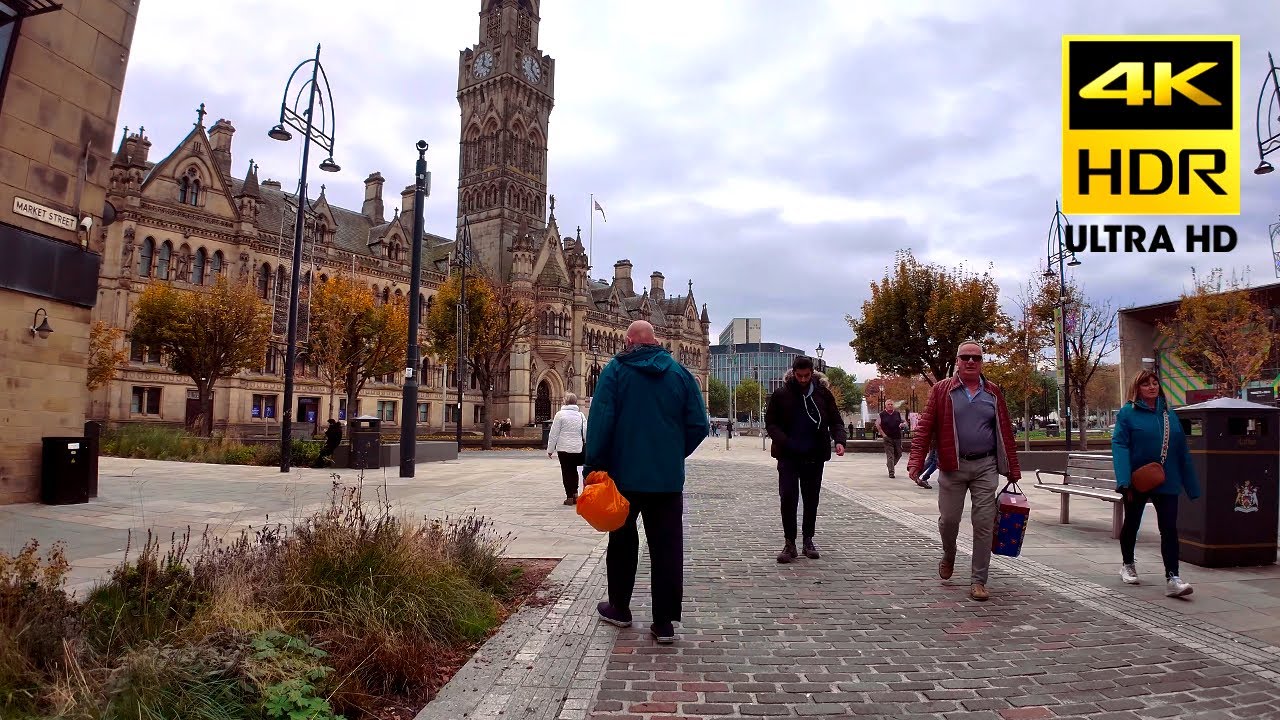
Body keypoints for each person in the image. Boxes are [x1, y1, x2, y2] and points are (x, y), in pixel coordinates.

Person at [585, 320, 708, 644]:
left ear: (628, 341)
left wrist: (594, 466)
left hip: (623, 476)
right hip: (666, 480)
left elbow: (600, 420)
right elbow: (699, 424)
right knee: (667, 549)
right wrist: (672, 453)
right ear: (656, 342)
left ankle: (620, 608)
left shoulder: (615, 371)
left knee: (622, 544)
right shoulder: (680, 374)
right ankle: (664, 623)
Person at [908, 340, 1021, 602]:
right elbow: (924, 428)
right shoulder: (941, 390)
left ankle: (978, 580)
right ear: (957, 361)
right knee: (949, 521)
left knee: (983, 523)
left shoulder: (993, 392)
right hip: (951, 465)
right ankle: (949, 553)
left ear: (982, 363)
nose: (971, 362)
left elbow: (1004, 432)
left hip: (985, 466)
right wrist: (916, 461)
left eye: (976, 358)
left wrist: (1012, 469)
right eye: (965, 357)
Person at [1112, 369, 1200, 597]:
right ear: (1137, 389)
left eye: (1154, 383)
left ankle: (1173, 577)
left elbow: (1182, 451)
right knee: (1132, 522)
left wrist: (1192, 486)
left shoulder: (1169, 415)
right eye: (1146, 384)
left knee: (1169, 528)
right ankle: (1128, 564)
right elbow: (1119, 446)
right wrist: (1123, 480)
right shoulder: (1127, 414)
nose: (1152, 387)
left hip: (1167, 479)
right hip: (1137, 480)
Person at [764, 357, 847, 563]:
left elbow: (836, 420)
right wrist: (786, 441)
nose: (802, 379)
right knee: (788, 498)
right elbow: (771, 423)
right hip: (788, 455)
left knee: (811, 499)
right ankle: (789, 542)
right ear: (793, 373)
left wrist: (840, 440)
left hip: (814, 454)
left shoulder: (823, 394)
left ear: (812, 373)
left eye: (806, 376)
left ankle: (808, 539)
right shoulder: (781, 394)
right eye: (799, 376)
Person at [547, 393, 588, 505]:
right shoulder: (580, 415)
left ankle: (569, 496)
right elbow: (585, 433)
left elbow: (554, 434)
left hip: (563, 449)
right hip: (577, 448)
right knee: (574, 471)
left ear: (565, 401)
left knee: (567, 472)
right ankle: (575, 494)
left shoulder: (559, 415)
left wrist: (550, 449)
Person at [876, 400, 908, 478]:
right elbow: (877, 424)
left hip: (897, 437)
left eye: (891, 404)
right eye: (888, 404)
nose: (890, 405)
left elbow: (905, 422)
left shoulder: (897, 413)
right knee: (890, 455)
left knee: (899, 453)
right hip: (888, 437)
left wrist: (903, 424)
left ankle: (890, 464)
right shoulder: (882, 414)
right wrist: (883, 435)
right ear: (885, 405)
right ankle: (891, 472)